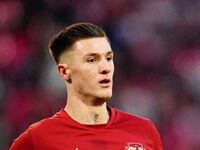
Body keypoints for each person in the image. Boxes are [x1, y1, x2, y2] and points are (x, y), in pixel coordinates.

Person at [10, 23, 163, 150]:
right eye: (92, 60)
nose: (105, 68)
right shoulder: (38, 139)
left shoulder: (144, 130)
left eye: (108, 58)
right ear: (65, 72)